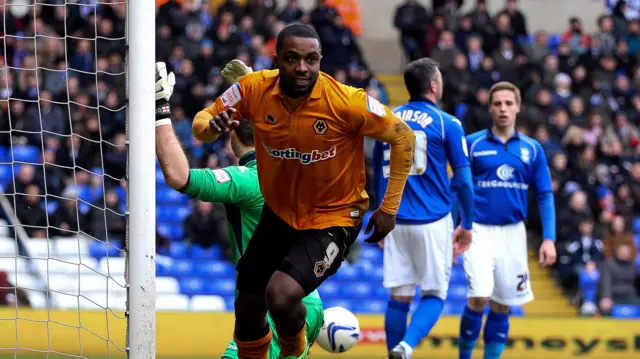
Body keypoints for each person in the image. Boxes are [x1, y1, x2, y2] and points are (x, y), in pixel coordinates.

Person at [192, 23, 416, 359]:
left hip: (334, 217)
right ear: (277, 58)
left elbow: (403, 136)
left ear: (320, 60)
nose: (302, 67)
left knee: (280, 296)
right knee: (248, 300)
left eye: (311, 59)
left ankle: (292, 354)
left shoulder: (347, 102)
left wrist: (389, 207)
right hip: (281, 212)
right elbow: (202, 122)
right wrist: (212, 128)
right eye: (292, 58)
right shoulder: (252, 89)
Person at [154, 62, 324, 359]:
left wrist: (159, 111)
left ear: (232, 134)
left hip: (270, 305)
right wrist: (259, 89)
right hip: (307, 300)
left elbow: (178, 176)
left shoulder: (246, 180)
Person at [374, 58, 474, 359]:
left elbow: (379, 170)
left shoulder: (388, 120)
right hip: (432, 219)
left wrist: (381, 215)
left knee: (399, 295)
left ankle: (395, 350)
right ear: (433, 85)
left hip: (395, 220)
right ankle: (405, 347)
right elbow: (465, 182)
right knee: (434, 294)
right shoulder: (448, 123)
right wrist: (467, 222)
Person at [458, 81, 557, 359]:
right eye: (498, 103)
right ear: (490, 107)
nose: (503, 109)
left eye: (508, 103)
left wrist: (549, 238)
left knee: (503, 304)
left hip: (513, 234)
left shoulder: (532, 149)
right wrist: (458, 226)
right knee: (479, 296)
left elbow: (545, 194)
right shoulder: (473, 143)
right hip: (477, 230)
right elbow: (460, 188)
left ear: (518, 108)